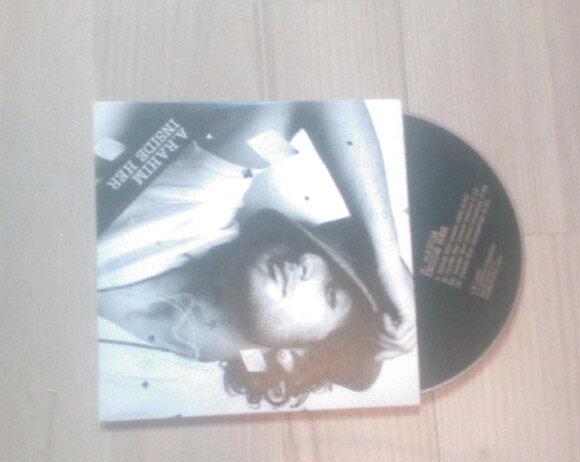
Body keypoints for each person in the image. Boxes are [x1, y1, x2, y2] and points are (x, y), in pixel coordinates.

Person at [96, 100, 416, 419]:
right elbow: (314, 102)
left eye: (331, 291)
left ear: (296, 356)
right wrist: (387, 259)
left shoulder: (180, 402)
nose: (308, 259)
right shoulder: (199, 202)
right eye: (309, 249)